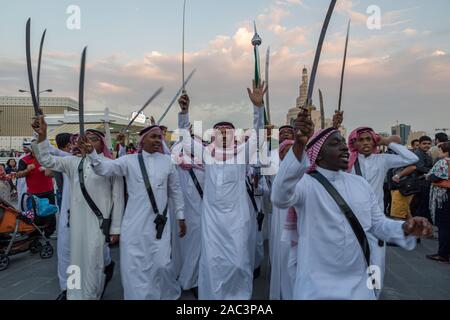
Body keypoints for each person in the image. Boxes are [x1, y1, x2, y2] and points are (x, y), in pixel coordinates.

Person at [271, 108, 432, 300]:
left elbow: (377, 224)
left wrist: (404, 227)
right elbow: (280, 196)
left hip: (359, 285)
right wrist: (298, 145)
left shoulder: (359, 184)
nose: (345, 147)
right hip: (317, 285)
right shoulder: (305, 184)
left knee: (376, 272)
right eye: (335, 143)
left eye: (343, 143)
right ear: (318, 155)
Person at [176, 81, 265, 300]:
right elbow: (186, 143)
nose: (223, 134)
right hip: (213, 219)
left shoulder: (243, 152)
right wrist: (184, 114)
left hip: (238, 218)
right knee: (213, 263)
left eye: (227, 131)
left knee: (238, 261)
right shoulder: (206, 153)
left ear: (234, 136)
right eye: (219, 131)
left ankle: (238, 299)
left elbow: (258, 134)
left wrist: (258, 108)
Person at [81, 124, 186, 300]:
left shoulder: (168, 162)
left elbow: (175, 191)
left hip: (160, 225)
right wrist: (91, 153)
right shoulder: (128, 161)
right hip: (135, 224)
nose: (157, 140)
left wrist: (181, 216)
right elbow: (103, 169)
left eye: (159, 137)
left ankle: (163, 293)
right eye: (153, 137)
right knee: (136, 266)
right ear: (142, 140)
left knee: (162, 264)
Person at [32, 115, 124, 300]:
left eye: (93, 139)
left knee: (93, 263)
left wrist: (116, 228)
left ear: (102, 145)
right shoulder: (73, 163)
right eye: (86, 138)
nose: (88, 141)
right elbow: (47, 161)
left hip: (98, 224)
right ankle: (73, 294)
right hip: (76, 222)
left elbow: (118, 198)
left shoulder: (111, 166)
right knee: (75, 262)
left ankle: (91, 296)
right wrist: (41, 137)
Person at [346, 127, 419, 288]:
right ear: (354, 143)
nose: (365, 142)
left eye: (368, 139)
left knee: (376, 259)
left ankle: (373, 291)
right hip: (352, 217)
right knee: (354, 257)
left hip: (376, 218)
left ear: (374, 141)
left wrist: (387, 142)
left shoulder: (382, 159)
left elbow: (411, 158)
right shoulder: (348, 162)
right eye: (361, 139)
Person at [171, 135, 204, 297]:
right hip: (181, 211)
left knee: (197, 245)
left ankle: (193, 279)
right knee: (183, 245)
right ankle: (186, 275)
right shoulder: (176, 163)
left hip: (201, 211)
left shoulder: (205, 163)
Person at [269, 139, 296, 300]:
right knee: (285, 257)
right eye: (288, 152)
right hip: (282, 220)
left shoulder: (307, 172)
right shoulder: (275, 172)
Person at [16, 138, 56, 237]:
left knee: (50, 213)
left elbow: (54, 172)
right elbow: (18, 175)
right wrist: (27, 170)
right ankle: (35, 235)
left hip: (48, 191)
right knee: (35, 215)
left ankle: (48, 233)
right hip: (34, 193)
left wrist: (48, 169)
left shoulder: (47, 158)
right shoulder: (24, 160)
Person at [426, 142, 450, 263]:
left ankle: (443, 254)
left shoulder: (443, 162)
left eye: (440, 151)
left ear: (445, 151)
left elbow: (433, 177)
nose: (439, 153)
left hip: (443, 196)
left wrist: (428, 176)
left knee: (444, 226)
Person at [410, 136, 434, 223]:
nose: (427, 145)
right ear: (419, 144)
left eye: (428, 143)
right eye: (424, 143)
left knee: (420, 205)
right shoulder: (418, 154)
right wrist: (434, 171)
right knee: (421, 206)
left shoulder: (425, 153)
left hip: (424, 182)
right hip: (420, 183)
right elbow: (420, 167)